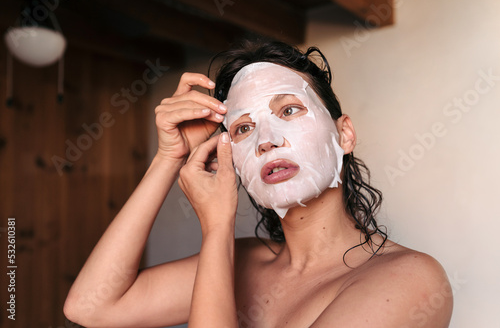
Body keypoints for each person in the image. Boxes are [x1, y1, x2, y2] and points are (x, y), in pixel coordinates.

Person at [64, 40, 453, 327]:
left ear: (344, 135)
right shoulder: (245, 262)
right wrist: (170, 157)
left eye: (289, 109)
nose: (266, 139)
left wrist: (217, 230)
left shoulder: (410, 277)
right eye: (244, 127)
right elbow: (91, 305)